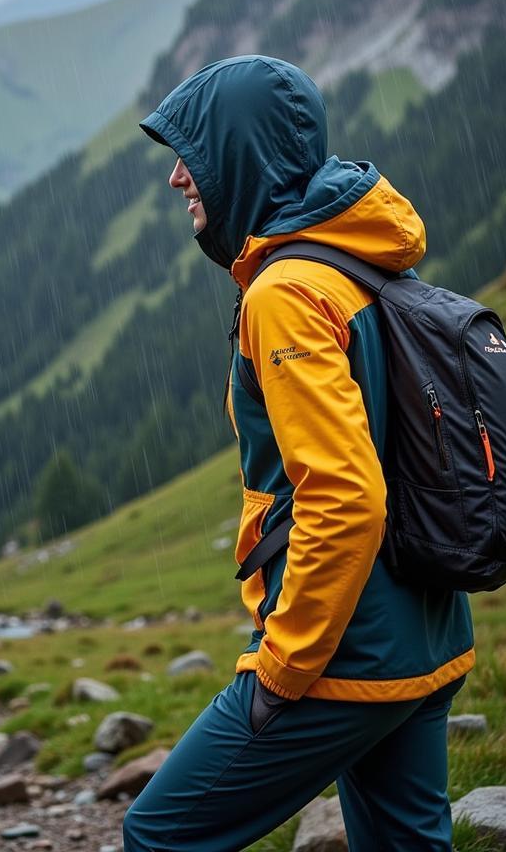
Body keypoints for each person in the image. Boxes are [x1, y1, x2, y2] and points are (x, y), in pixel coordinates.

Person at [125, 56, 474, 851]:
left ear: (239, 158)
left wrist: (284, 667)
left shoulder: (286, 291)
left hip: (343, 651)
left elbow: (347, 496)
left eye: (194, 154)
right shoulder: (358, 257)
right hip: (426, 632)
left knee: (160, 835)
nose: (178, 178)